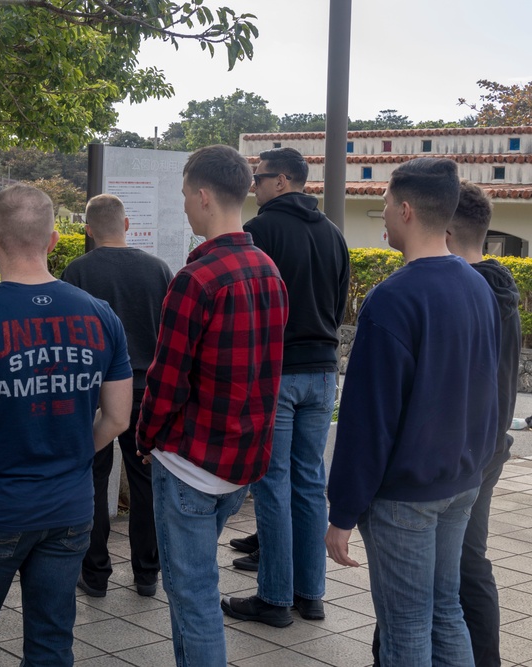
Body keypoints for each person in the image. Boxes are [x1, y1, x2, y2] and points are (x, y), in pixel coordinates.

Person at [0, 184, 133, 666]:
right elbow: (118, 417)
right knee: (51, 640)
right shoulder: (101, 316)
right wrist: (80, 451)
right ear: (54, 240)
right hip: (70, 509)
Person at [325, 159, 500, 666]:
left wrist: (343, 511)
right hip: (461, 481)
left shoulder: (393, 298)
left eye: (383, 204)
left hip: (405, 495)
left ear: (405, 209)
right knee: (446, 611)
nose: (381, 213)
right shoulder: (477, 285)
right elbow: (489, 387)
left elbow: (367, 420)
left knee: (407, 626)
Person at [136, 145, 288, 667]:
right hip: (242, 463)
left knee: (194, 596)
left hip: (190, 466)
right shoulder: (268, 269)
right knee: (192, 592)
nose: (182, 206)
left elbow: (166, 379)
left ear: (203, 197)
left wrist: (144, 437)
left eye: (184, 196)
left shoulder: (195, 279)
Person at [371, 180, 521, 667]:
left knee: (451, 581)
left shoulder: (476, 292)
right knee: (443, 588)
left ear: (446, 230)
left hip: (458, 456)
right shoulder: (495, 290)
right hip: (476, 449)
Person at [222, 147, 349, 626]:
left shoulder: (259, 233)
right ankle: (310, 594)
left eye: (258, 177)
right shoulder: (334, 234)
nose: (253, 185)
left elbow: (250, 311)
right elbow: (337, 305)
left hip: (277, 372)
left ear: (281, 181)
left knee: (273, 484)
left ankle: (274, 599)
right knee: (311, 483)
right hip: (322, 371)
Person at [60, 193, 173, 599]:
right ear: (127, 225)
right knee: (145, 484)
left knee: (93, 480)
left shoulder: (77, 272)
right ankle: (147, 574)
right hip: (144, 391)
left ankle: (94, 574)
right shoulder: (159, 270)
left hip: (93, 394)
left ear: (88, 230)